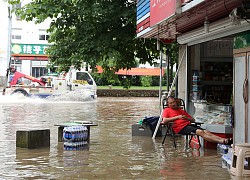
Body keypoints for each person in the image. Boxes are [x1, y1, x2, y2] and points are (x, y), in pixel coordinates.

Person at [162, 96, 233, 145]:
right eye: (171, 103)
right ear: (168, 104)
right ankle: (222, 141)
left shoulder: (181, 110)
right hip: (180, 128)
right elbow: (164, 120)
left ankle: (224, 140)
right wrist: (177, 117)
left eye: (174, 102)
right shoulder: (167, 110)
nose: (173, 104)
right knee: (200, 132)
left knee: (206, 131)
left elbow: (193, 119)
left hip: (188, 125)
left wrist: (187, 118)